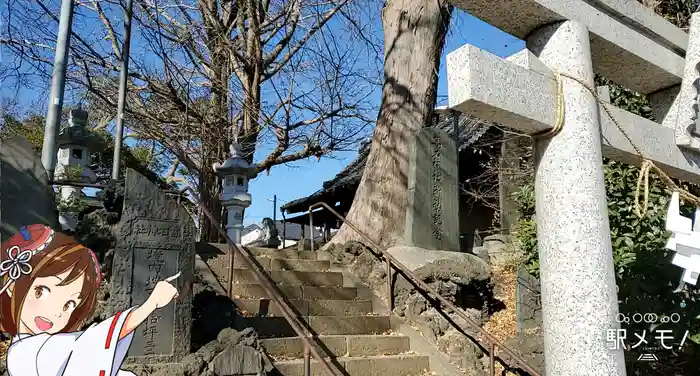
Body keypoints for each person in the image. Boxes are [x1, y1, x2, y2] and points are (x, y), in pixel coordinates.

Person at [0, 225, 180, 376]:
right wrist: (150, 305)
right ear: (12, 284)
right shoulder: (26, 353)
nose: (55, 312)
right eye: (42, 291)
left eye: (68, 305)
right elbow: (92, 344)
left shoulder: (40, 344)